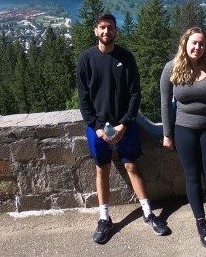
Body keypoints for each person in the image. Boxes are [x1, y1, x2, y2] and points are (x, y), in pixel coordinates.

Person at [77, 13, 169, 245]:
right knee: (102, 168)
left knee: (131, 165)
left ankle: (148, 214)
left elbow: (135, 93)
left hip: (124, 123)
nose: (106, 32)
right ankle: (104, 218)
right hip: (98, 126)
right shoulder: (86, 59)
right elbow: (84, 99)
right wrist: (97, 127)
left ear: (116, 31)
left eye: (110, 28)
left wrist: (125, 123)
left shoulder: (126, 57)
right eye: (102, 28)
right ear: (95, 31)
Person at [160, 27, 206, 249]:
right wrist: (167, 134)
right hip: (184, 128)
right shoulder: (171, 68)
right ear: (185, 43)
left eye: (201, 44)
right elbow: (164, 102)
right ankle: (201, 223)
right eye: (194, 43)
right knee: (192, 176)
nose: (197, 47)